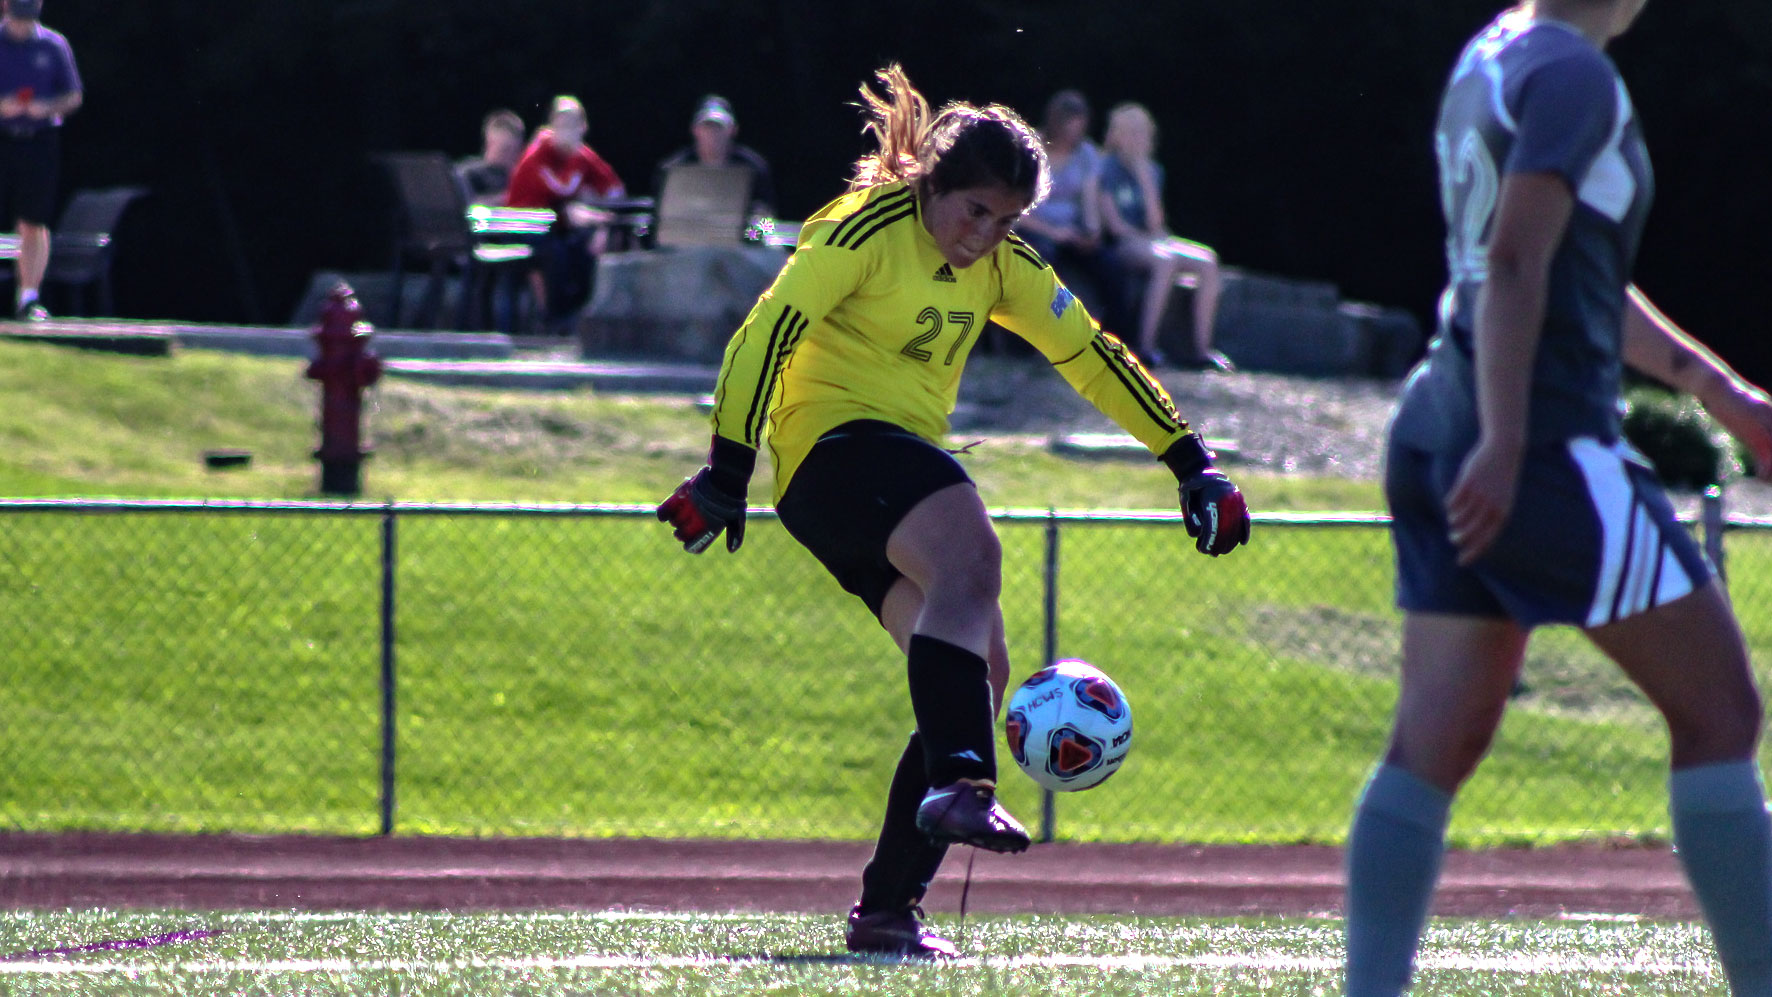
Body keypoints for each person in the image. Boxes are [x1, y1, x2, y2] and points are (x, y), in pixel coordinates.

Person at [655, 64, 1251, 959]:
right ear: (934, 184)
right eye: (975, 211)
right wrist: (724, 473)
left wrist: (1190, 461)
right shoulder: (865, 231)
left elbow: (1089, 354)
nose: (986, 236)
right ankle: (963, 780)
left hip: (879, 482)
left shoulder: (1004, 264)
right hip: (833, 453)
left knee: (980, 676)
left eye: (1007, 220)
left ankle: (888, 910)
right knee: (973, 560)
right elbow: (762, 334)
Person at [1344, 2, 1772, 995]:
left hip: (1434, 422)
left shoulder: (1494, 51)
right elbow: (1513, 261)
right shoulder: (1575, 75)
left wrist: (1717, 392)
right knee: (1719, 710)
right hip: (1540, 443)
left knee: (1434, 741)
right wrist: (1504, 440)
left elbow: (1567, 270)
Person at [1095, 102, 1229, 372]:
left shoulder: (1153, 171)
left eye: (1142, 133)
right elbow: (1115, 227)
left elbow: (1157, 222)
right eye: (1131, 132)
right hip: (1124, 244)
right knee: (1164, 261)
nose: (1138, 139)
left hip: (1153, 240)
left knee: (1208, 260)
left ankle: (1202, 350)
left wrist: (1144, 179)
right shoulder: (1104, 167)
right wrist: (1147, 238)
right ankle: (1145, 346)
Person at [1014, 89, 1130, 337]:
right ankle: (1029, 338)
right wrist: (1054, 233)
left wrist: (1092, 231)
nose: (1074, 132)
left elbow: (1089, 198)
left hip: (1071, 232)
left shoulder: (1086, 154)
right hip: (1034, 228)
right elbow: (1016, 207)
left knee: (1110, 265)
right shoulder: (1030, 147)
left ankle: (1115, 336)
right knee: (1042, 258)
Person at [504, 96, 626, 331]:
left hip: (555, 225)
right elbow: (562, 188)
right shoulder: (540, 152)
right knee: (556, 253)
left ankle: (577, 316)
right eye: (561, 125)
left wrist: (599, 221)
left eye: (573, 125)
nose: (567, 131)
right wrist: (584, 199)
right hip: (521, 227)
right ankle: (556, 318)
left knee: (584, 250)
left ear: (583, 127)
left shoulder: (579, 154)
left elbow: (614, 189)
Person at [0, 0, 80, 322]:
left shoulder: (53, 44)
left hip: (39, 141)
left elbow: (73, 95)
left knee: (32, 221)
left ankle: (29, 298)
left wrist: (45, 108)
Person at [653, 94, 776, 217]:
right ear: (695, 130)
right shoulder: (672, 170)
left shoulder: (754, 168)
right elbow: (661, 217)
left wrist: (757, 233)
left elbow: (768, 219)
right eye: (707, 126)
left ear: (733, 130)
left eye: (719, 127)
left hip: (739, 234)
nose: (713, 133)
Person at [455, 108, 525, 205]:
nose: (512, 156)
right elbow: (466, 206)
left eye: (516, 150)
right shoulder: (467, 174)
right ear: (490, 144)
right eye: (505, 150)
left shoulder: (523, 177)